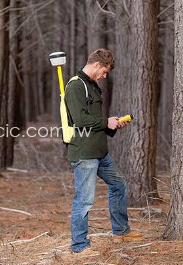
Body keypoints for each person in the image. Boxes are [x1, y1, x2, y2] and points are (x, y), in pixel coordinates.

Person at [64, 48, 144, 255]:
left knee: (118, 183)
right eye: (105, 71)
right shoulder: (75, 86)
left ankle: (121, 231)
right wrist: (105, 122)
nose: (105, 76)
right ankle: (80, 247)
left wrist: (111, 125)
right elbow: (80, 120)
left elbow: (95, 122)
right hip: (85, 153)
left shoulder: (92, 85)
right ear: (97, 65)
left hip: (100, 151)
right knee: (84, 200)